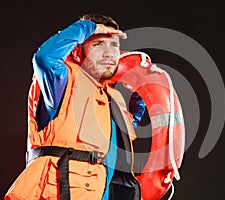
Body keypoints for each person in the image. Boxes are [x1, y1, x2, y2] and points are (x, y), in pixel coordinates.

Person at [5, 14, 146, 200]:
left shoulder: (112, 96)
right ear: (78, 52)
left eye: (114, 45)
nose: (109, 53)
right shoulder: (62, 81)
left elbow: (123, 134)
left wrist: (143, 91)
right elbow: (44, 58)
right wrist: (87, 28)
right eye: (98, 44)